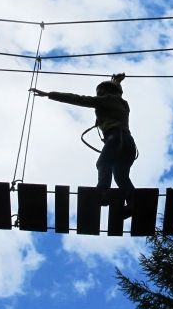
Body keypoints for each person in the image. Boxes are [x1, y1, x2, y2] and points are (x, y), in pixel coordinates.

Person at [30, 73, 137, 216]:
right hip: (128, 144)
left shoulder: (106, 100)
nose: (99, 95)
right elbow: (117, 92)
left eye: (100, 92)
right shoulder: (122, 104)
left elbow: (77, 99)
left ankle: (102, 192)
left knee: (103, 163)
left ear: (106, 92)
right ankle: (133, 203)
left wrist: (50, 94)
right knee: (120, 176)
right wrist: (116, 82)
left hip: (116, 138)